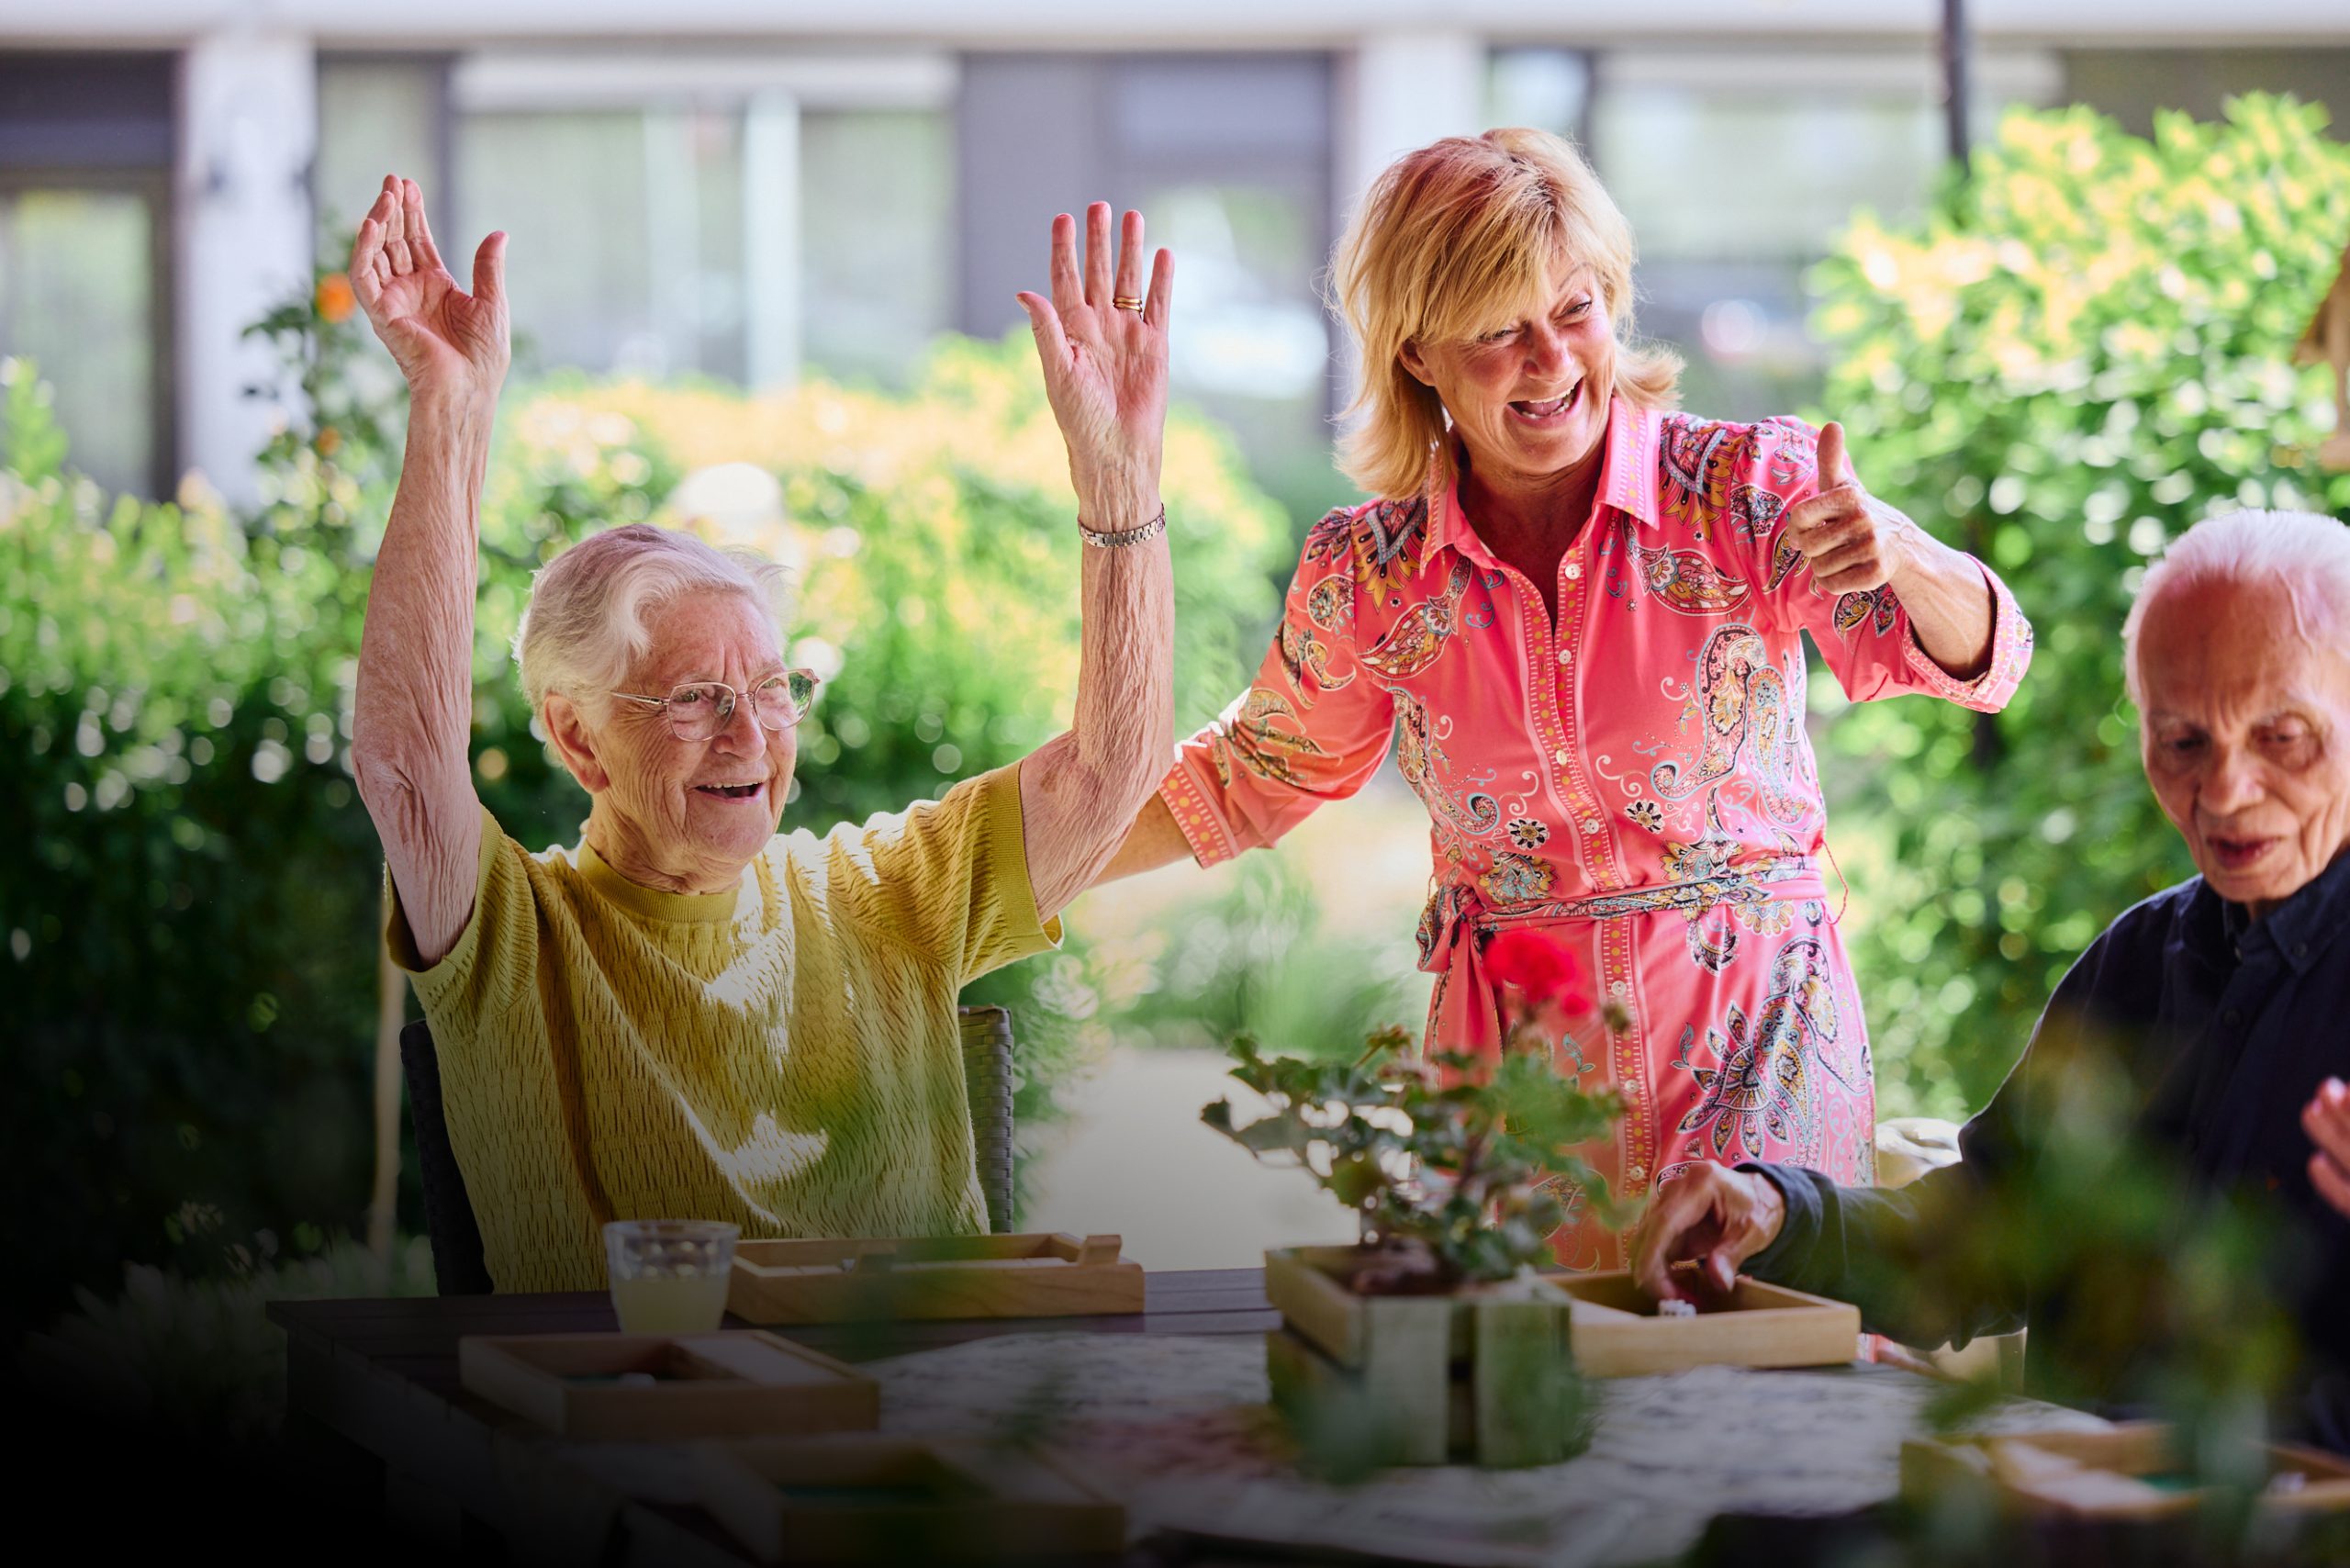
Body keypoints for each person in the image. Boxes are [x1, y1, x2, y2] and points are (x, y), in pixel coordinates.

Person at [1094, 129, 2034, 1265]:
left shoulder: (1749, 491)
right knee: (1522, 1397)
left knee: (1744, 1368)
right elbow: (1244, 781)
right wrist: (992, 874)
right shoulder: (1371, 573)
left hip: (1761, 1048)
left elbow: (1991, 660)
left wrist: (1901, 551)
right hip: (1516, 1089)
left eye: (1574, 309)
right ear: (1418, 355)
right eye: (1499, 330)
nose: (1551, 361)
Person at [346, 175, 1176, 1290]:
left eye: (774, 689)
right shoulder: (512, 938)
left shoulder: (892, 896)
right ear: (580, 741)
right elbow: (404, 764)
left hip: (926, 1432)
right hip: (638, 1443)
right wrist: (450, 407)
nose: (750, 734)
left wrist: (1120, 477)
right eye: (694, 698)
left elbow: (1113, 771)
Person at [1630, 509, 2350, 1450]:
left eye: (2282, 737)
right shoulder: (2140, 960)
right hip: (2070, 1517)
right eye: (2181, 742)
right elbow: (1985, 1240)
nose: (2222, 792)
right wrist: (1774, 1211)